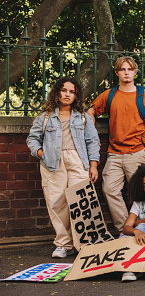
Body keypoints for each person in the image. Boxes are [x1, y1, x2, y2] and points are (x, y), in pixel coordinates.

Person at [27, 77, 100, 258]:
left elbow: (92, 141)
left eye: (72, 91)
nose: (67, 94)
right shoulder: (45, 117)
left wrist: (93, 165)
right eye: (64, 90)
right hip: (52, 162)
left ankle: (84, 243)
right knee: (56, 202)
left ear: (76, 96)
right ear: (57, 92)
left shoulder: (83, 117)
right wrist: (42, 154)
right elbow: (32, 139)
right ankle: (63, 244)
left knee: (81, 200)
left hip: (77, 160)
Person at [87, 56, 145, 233]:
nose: (126, 73)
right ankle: (125, 230)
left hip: (138, 152)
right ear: (117, 72)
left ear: (135, 72)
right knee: (109, 189)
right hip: (114, 153)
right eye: (122, 69)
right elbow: (90, 112)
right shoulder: (110, 95)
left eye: (130, 69)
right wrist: (92, 134)